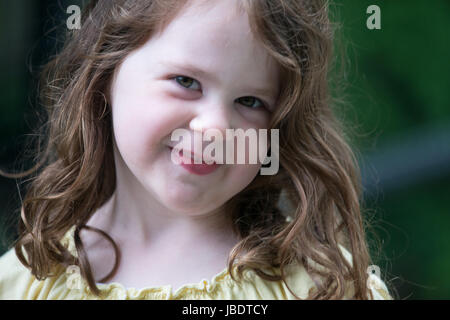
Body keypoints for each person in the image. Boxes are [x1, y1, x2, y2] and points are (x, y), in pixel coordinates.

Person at [0, 0, 392, 299]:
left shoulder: (321, 286)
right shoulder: (26, 279)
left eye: (251, 102)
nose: (217, 127)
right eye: (186, 81)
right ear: (106, 73)